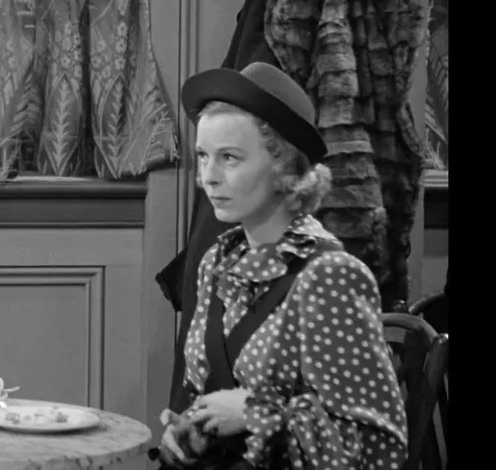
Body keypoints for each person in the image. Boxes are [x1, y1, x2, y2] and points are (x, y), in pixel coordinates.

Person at [155, 62, 407, 469]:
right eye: (203, 156)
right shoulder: (217, 262)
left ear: (284, 168)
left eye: (229, 158)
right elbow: (214, 394)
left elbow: (379, 447)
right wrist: (194, 429)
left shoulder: (328, 276)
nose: (208, 178)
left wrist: (255, 414)